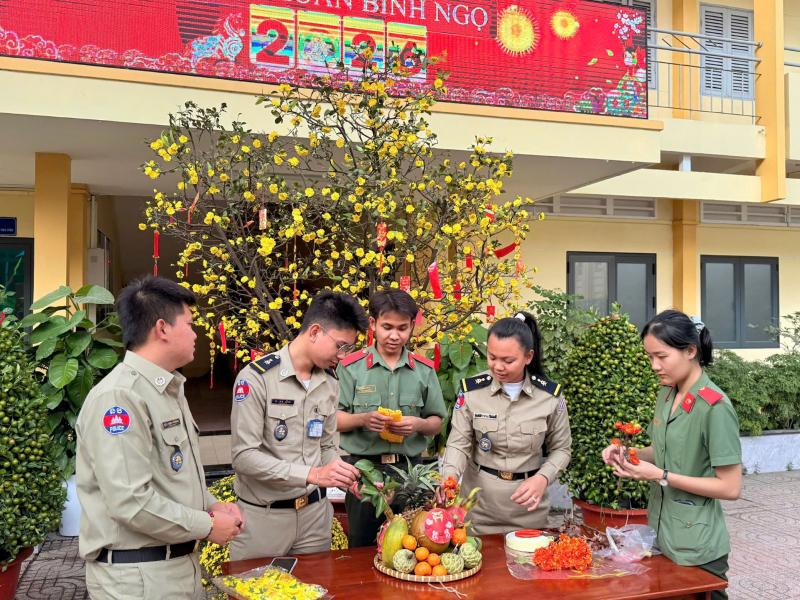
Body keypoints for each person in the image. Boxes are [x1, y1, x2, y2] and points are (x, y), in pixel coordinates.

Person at [76, 276, 243, 600]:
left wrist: (212, 506)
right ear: (163, 328)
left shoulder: (168, 390)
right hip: (138, 580)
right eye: (191, 325)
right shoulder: (119, 399)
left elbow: (172, 477)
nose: (197, 335)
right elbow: (131, 503)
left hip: (175, 569)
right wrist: (207, 526)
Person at [602, 310, 742, 599]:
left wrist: (661, 476)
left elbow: (730, 487)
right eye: (650, 357)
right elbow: (664, 450)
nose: (654, 366)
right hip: (661, 534)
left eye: (661, 357)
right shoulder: (667, 395)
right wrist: (628, 453)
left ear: (691, 350)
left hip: (698, 548)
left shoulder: (715, 407)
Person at [229, 290, 368, 560]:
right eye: (340, 346)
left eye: (349, 349)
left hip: (313, 519)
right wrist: (311, 475)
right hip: (264, 519)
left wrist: (344, 475)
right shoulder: (256, 379)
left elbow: (326, 446)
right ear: (315, 331)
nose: (343, 356)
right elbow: (244, 457)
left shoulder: (329, 382)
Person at [441, 312, 572, 535]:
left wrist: (543, 478)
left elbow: (562, 449)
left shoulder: (550, 397)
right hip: (478, 508)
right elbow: (458, 443)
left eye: (508, 360)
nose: (498, 367)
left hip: (528, 510)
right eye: (492, 357)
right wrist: (449, 479)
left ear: (528, 357)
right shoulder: (472, 391)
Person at [336, 290, 447, 547]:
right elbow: (335, 419)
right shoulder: (351, 367)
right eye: (387, 327)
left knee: (414, 546)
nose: (394, 336)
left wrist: (418, 424)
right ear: (373, 324)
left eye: (402, 328)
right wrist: (362, 419)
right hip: (364, 473)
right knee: (362, 547)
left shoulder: (423, 369)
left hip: (410, 474)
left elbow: (436, 422)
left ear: (411, 327)